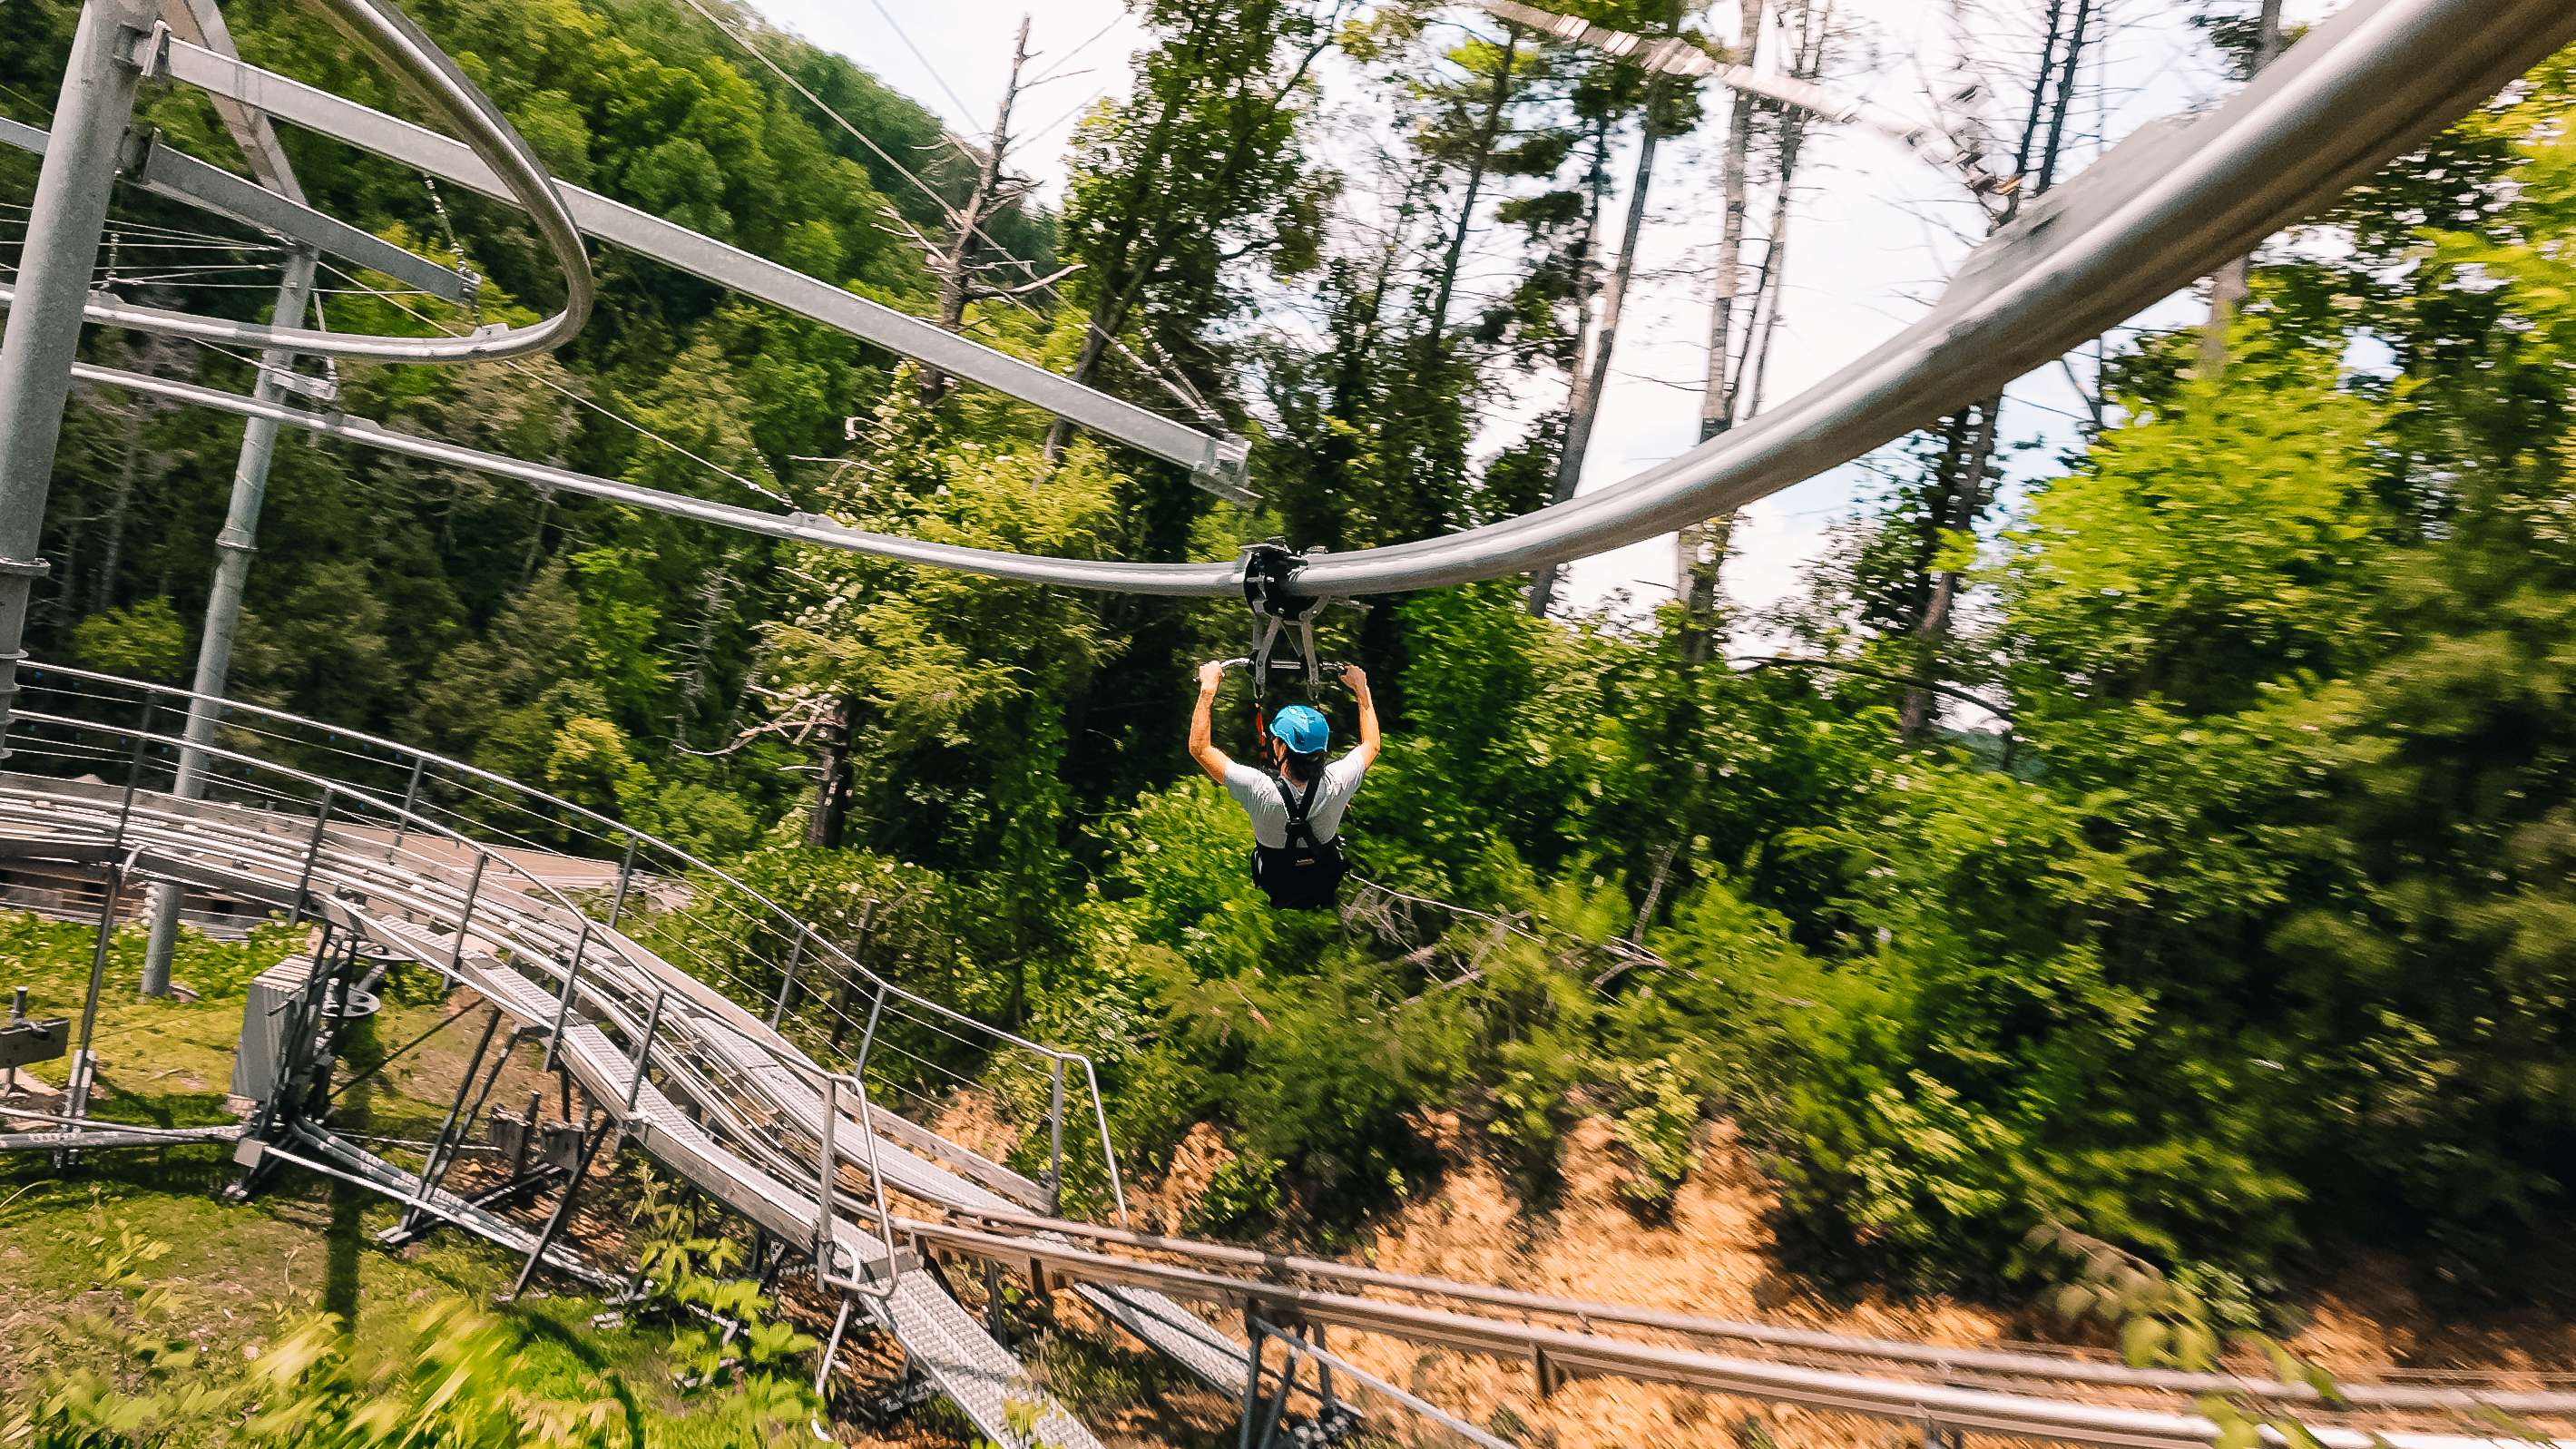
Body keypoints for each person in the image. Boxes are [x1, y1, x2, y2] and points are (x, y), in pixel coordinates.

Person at [1188, 660, 1380, 909]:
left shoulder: (1258, 789)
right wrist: (1361, 688)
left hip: (1276, 879)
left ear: (1282, 747)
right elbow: (1372, 745)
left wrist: (1208, 689)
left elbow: (1199, 748)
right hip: (1321, 877)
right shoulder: (1338, 781)